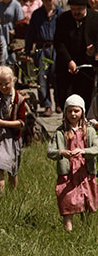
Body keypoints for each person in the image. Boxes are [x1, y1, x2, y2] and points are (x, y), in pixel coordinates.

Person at [47, 94, 98, 232]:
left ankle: (87, 228)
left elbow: (96, 148)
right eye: (69, 111)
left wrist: (83, 151)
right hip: (68, 172)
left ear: (82, 111)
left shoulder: (90, 131)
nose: (73, 114)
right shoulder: (60, 132)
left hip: (85, 171)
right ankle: (68, 229)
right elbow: (50, 151)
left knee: (88, 199)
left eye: (76, 111)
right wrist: (61, 153)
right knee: (67, 199)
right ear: (65, 112)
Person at [0, 65, 27, 193]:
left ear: (12, 81)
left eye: (6, 83)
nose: (3, 87)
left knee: (12, 169)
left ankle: (12, 192)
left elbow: (21, 123)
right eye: (0, 84)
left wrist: (2, 122)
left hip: (12, 137)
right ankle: (1, 194)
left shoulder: (19, 100)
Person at [54, 0, 95, 107]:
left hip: (87, 68)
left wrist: (94, 49)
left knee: (86, 99)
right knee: (67, 99)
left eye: (79, 9)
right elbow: (59, 42)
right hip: (67, 66)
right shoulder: (63, 19)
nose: (76, 12)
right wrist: (69, 61)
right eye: (73, 9)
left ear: (85, 7)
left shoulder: (95, 18)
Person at [25, 0, 61, 116]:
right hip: (42, 47)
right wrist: (27, 50)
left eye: (49, 0)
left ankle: (59, 103)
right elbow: (30, 33)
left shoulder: (60, 13)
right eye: (45, 1)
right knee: (42, 77)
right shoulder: (37, 14)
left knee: (56, 76)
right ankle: (46, 105)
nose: (47, 3)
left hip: (56, 47)